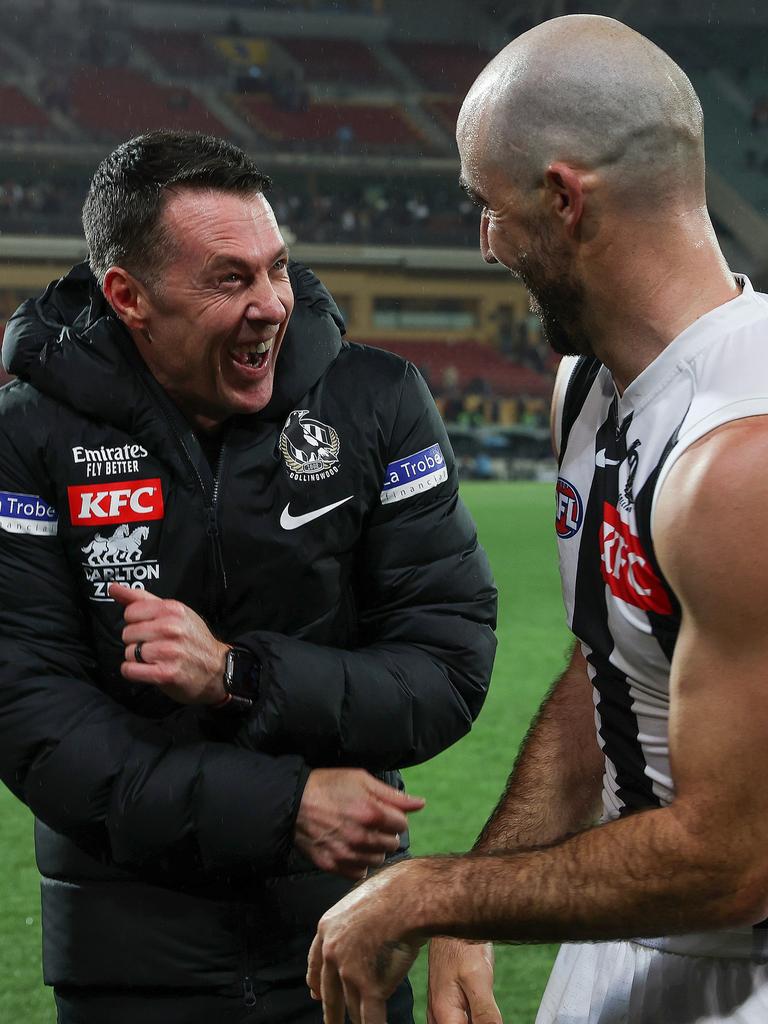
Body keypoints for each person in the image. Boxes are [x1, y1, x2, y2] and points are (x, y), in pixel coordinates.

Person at [306, 14, 768, 1024]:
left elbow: (736, 860)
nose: (485, 244)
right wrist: (479, 907)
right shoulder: (589, 389)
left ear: (563, 198)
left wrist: (433, 892)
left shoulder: (743, 457)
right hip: (619, 950)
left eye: (489, 206)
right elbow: (606, 670)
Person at [0, 130, 497, 1024]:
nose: (271, 302)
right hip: (129, 970)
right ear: (129, 297)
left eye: (277, 267)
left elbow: (448, 665)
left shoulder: (376, 401)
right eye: (230, 279)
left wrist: (240, 673)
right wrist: (285, 807)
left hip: (347, 947)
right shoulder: (27, 439)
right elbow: (31, 722)